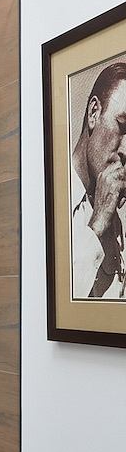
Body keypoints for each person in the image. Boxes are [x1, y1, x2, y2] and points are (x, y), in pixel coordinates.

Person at [71, 59, 126, 299]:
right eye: (122, 127)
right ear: (94, 112)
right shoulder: (46, 201)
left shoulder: (114, 219)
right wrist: (98, 223)